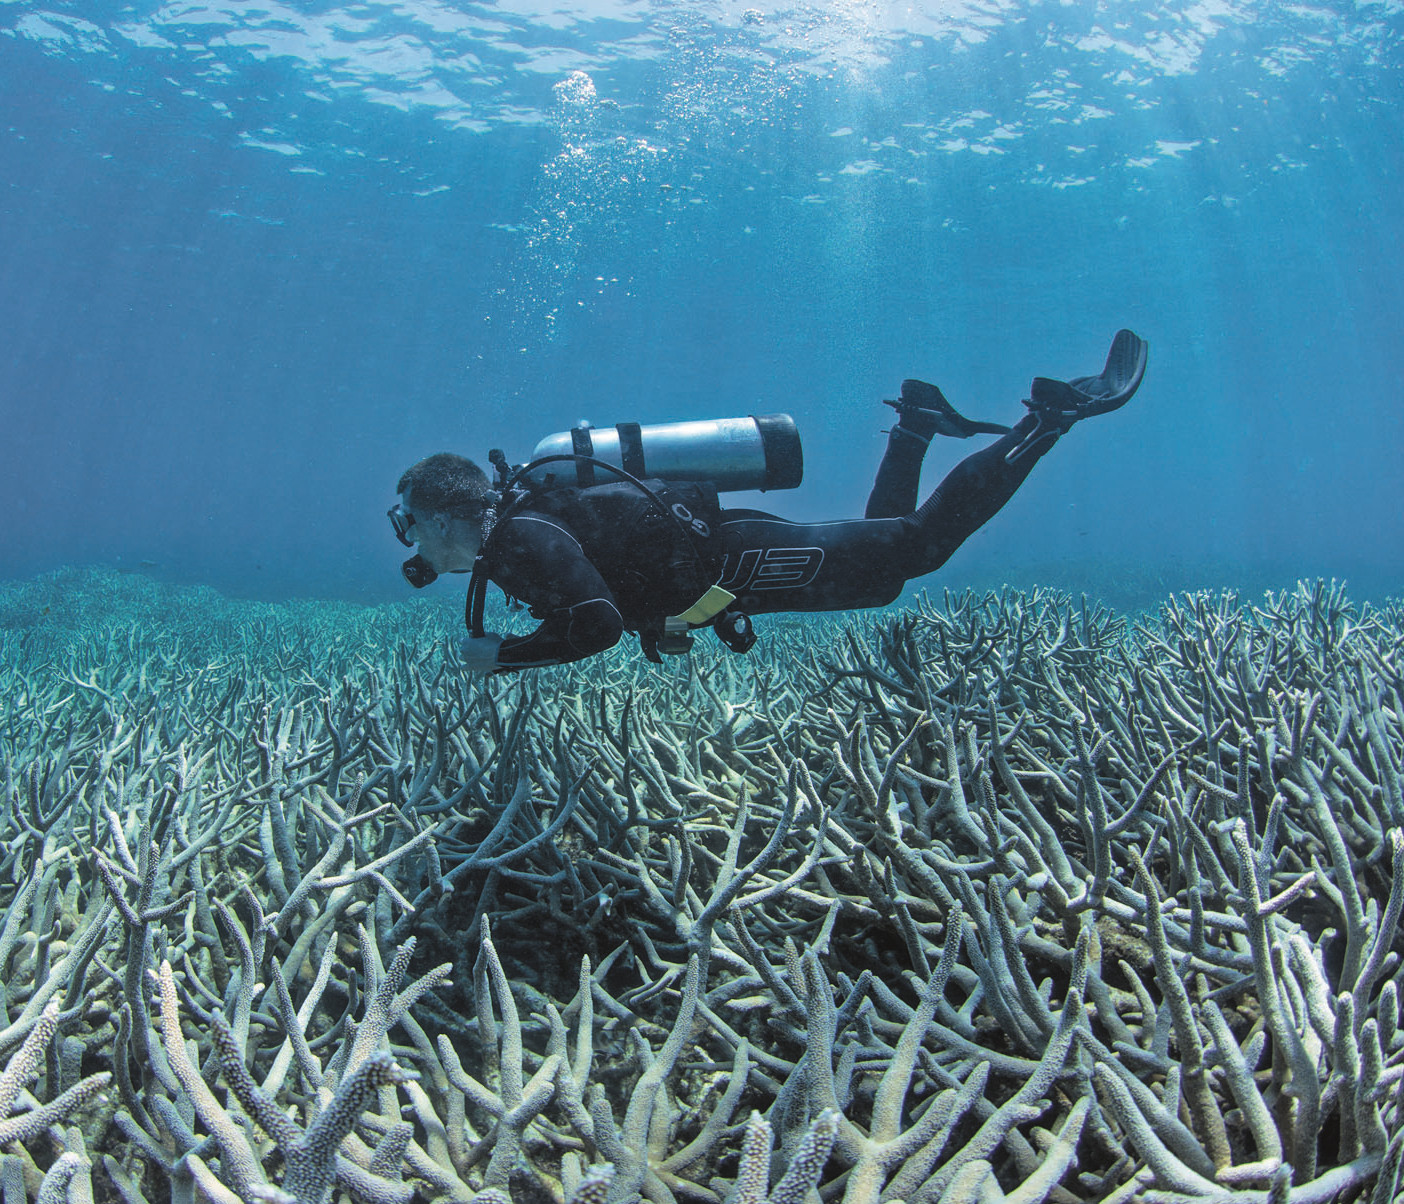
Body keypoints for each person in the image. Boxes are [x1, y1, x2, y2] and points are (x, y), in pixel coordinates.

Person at [388, 330, 1147, 673]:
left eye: (409, 525)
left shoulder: (521, 537)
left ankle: (1050, 417)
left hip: (740, 558)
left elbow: (594, 625)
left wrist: (506, 655)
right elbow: (617, 584)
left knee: (915, 549)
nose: (411, 545)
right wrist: (664, 622)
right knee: (884, 576)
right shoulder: (516, 535)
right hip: (728, 572)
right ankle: (916, 426)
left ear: (445, 515)